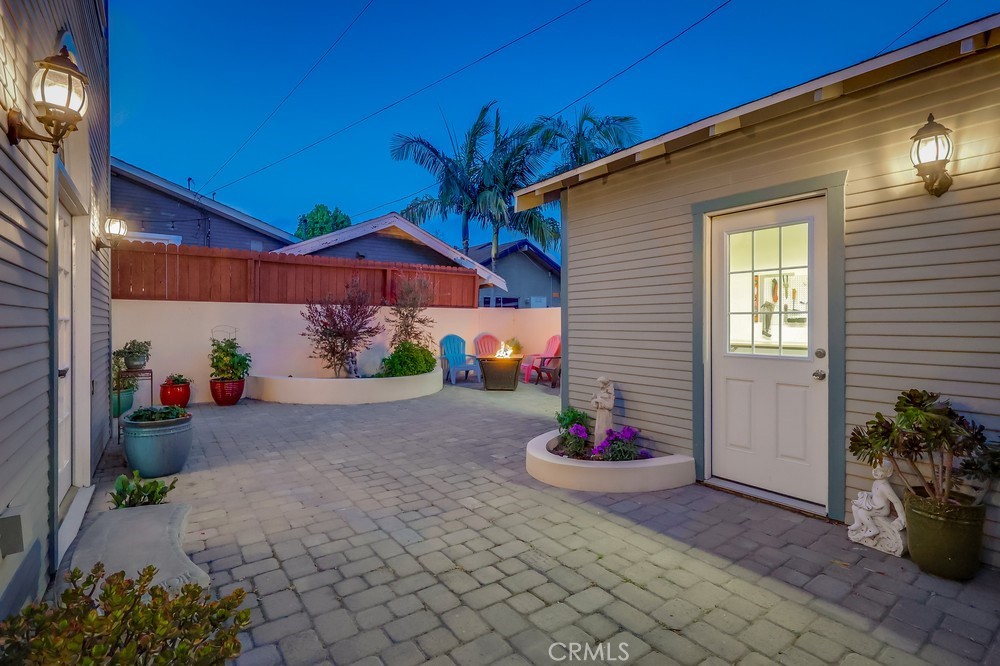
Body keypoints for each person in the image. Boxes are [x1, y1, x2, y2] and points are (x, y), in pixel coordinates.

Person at [848, 462, 905, 539]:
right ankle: (858, 523)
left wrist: (901, 517)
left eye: (879, 470)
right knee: (855, 507)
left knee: (862, 512)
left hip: (881, 509)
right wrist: (865, 494)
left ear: (888, 473)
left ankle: (873, 529)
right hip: (873, 504)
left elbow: (896, 501)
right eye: (874, 468)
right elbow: (875, 494)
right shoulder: (876, 482)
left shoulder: (885, 487)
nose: (875, 471)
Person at [591, 377, 615, 442]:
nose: (598, 385)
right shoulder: (600, 393)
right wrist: (594, 400)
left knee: (604, 433)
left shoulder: (609, 394)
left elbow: (610, 406)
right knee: (597, 432)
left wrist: (601, 401)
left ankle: (605, 450)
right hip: (599, 415)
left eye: (599, 383)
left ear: (603, 384)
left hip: (605, 416)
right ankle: (597, 450)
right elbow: (597, 405)